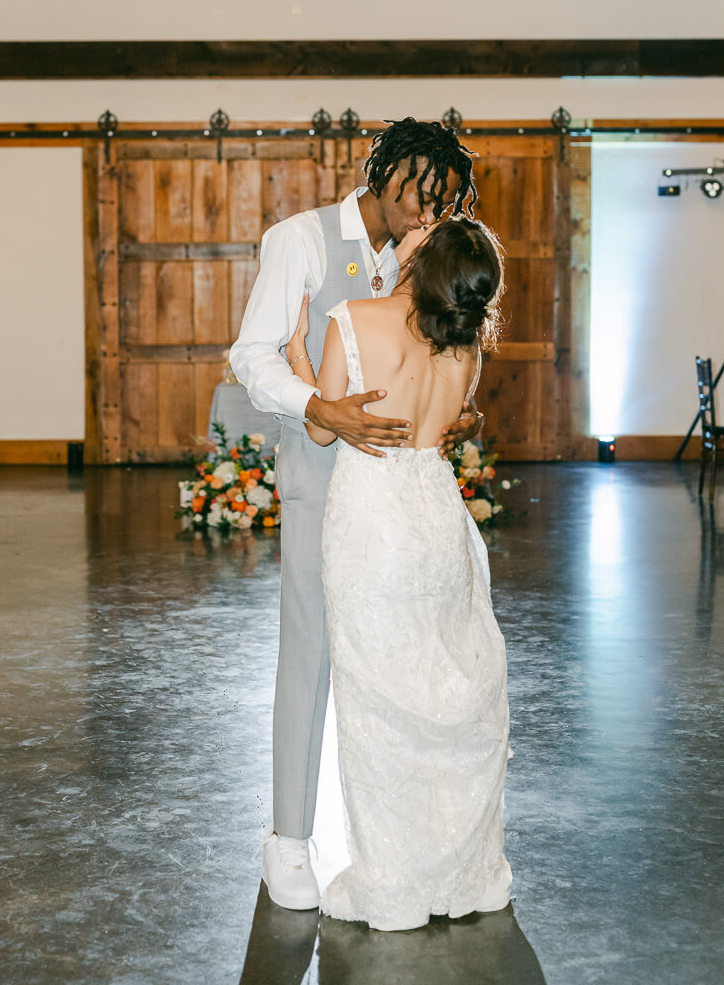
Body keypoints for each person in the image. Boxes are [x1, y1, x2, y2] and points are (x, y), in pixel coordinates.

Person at [229, 118, 483, 909]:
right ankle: (288, 841)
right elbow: (251, 354)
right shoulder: (299, 240)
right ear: (382, 172)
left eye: (443, 199)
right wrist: (321, 408)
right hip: (321, 478)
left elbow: (439, 350)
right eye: (419, 190)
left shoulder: (426, 255)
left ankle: (403, 834)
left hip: (397, 492)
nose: (427, 210)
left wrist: (453, 414)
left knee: (408, 659)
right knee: (310, 657)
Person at [284, 215, 514, 931]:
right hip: (437, 520)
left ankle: (392, 883)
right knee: (443, 690)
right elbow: (448, 420)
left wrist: (294, 353)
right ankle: (461, 870)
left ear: (424, 260)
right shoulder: (465, 346)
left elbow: (323, 427)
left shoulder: (350, 319)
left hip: (371, 525)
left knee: (376, 701)